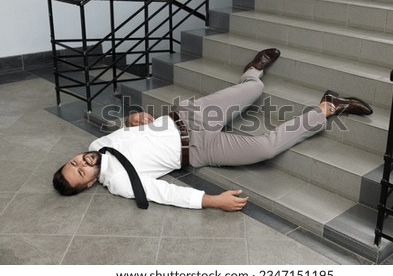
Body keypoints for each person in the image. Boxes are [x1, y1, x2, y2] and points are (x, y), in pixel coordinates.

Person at [53, 48, 373, 212]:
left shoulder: (97, 143)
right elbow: (165, 193)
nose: (82, 163)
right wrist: (212, 201)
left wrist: (131, 119)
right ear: (89, 184)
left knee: (254, 91)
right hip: (198, 149)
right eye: (80, 173)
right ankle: (329, 107)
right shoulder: (119, 182)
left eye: (74, 163)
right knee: (264, 149)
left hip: (189, 115)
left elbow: (127, 129)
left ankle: (251, 71)